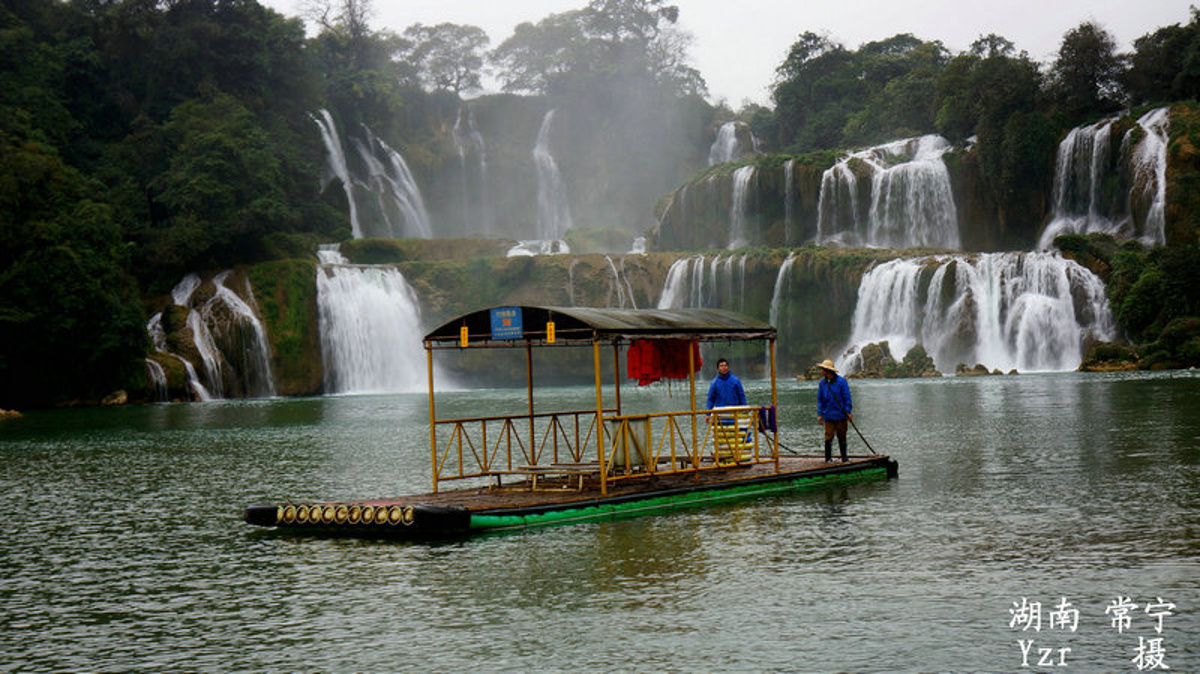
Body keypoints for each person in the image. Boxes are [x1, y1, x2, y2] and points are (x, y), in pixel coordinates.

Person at [816, 359, 852, 462]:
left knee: (842, 436)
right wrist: (820, 414)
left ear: (828, 371)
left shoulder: (841, 382)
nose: (821, 371)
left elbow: (847, 398)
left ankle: (844, 458)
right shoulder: (822, 383)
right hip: (828, 415)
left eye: (823, 369)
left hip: (840, 415)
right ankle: (828, 459)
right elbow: (820, 400)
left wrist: (848, 411)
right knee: (828, 437)